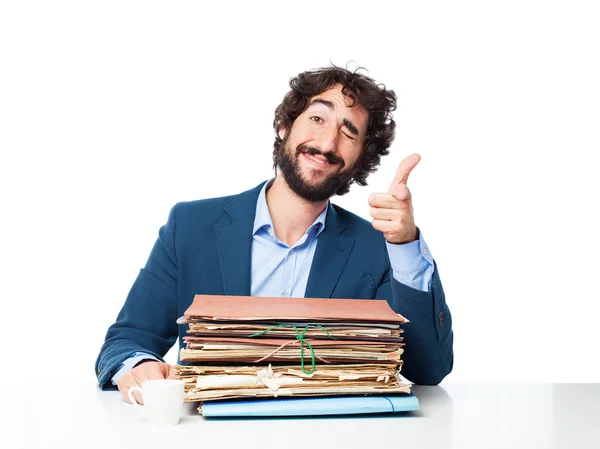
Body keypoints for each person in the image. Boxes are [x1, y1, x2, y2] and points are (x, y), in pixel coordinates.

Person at [95, 66, 454, 404]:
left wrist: (404, 246)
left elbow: (427, 370)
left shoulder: (378, 250)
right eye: (317, 118)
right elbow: (127, 340)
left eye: (348, 133)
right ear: (284, 125)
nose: (328, 143)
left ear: (360, 159)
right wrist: (138, 366)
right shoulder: (190, 227)